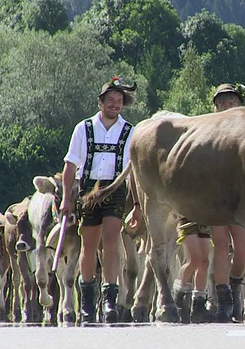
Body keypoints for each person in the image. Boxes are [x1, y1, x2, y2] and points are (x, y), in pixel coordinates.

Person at [60, 76, 137, 324]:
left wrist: (136, 204)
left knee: (112, 242)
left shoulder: (130, 131)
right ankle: (87, 304)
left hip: (115, 189)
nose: (115, 105)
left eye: (119, 101)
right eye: (111, 100)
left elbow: (133, 171)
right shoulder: (83, 128)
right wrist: (65, 199)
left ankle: (110, 301)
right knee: (89, 244)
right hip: (88, 189)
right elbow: (71, 165)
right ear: (100, 102)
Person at [210, 83, 245, 323]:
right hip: (215, 197)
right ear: (216, 106)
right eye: (222, 101)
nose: (226, 104)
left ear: (239, 103)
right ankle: (224, 299)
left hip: (241, 199)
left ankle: (236, 286)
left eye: (231, 100)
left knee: (243, 252)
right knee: (221, 246)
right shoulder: (208, 130)